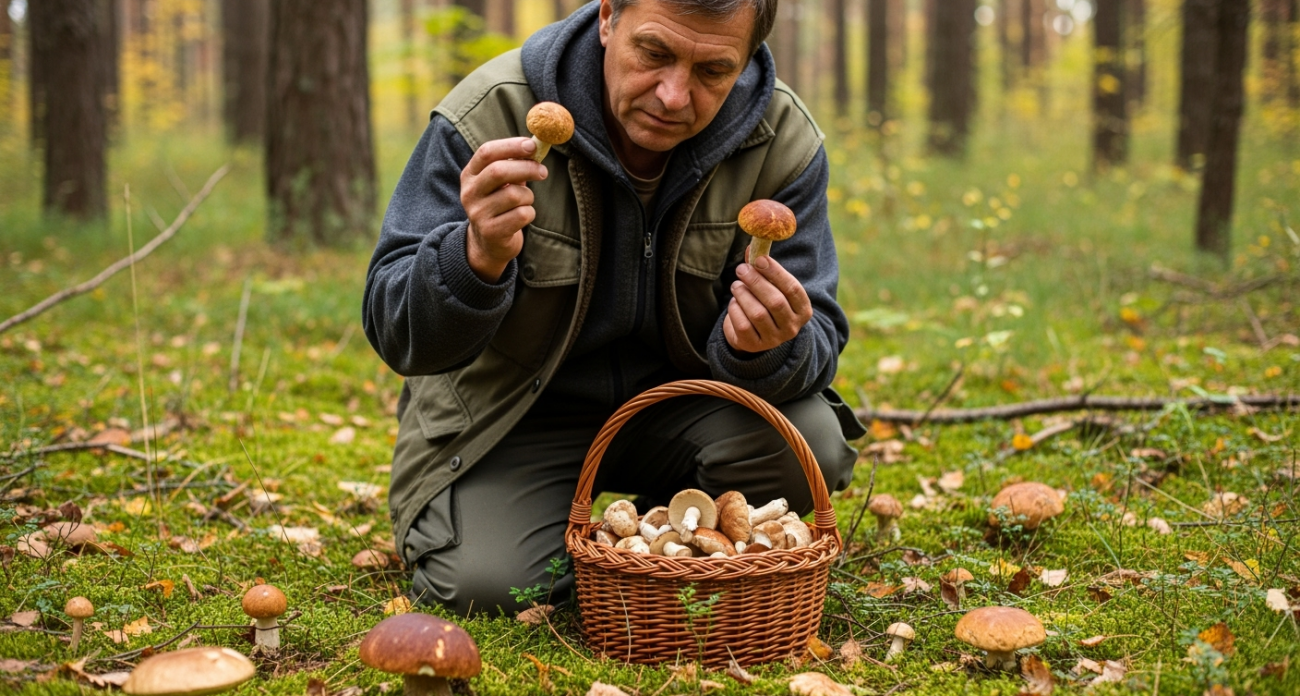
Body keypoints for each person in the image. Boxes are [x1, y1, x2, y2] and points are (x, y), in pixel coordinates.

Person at [363, 0, 865, 616]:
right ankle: (619, 558)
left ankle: (658, 535)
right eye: (653, 53)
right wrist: (473, 259)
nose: (674, 95)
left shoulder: (781, 141)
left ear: (747, 57)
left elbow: (820, 336)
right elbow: (395, 331)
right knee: (486, 587)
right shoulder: (488, 114)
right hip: (515, 416)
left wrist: (767, 349)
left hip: (688, 412)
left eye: (712, 71)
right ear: (607, 19)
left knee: (810, 439)